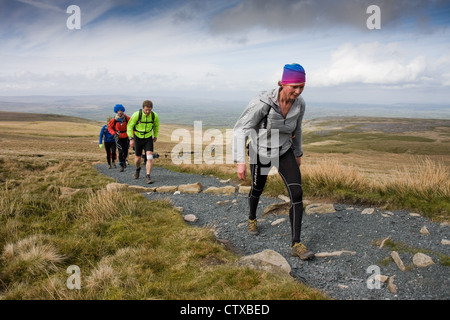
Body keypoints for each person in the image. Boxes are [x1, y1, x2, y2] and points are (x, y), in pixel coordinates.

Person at [232, 63, 314, 260]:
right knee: (258, 188)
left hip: (284, 149)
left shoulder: (300, 104)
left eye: (301, 86)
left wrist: (298, 153)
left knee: (297, 192)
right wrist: (240, 161)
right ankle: (252, 218)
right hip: (260, 150)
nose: (298, 91)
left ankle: (296, 243)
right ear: (283, 83)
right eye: (294, 86)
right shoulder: (263, 103)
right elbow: (241, 129)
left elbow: (298, 129)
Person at [127, 100, 160, 184]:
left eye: (149, 110)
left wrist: (155, 135)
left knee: (149, 157)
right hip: (138, 138)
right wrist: (131, 138)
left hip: (148, 138)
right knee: (138, 158)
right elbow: (130, 126)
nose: (148, 112)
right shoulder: (137, 115)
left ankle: (148, 176)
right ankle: (138, 170)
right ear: (143, 108)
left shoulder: (154, 115)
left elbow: (156, 126)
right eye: (146, 110)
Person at [108, 104, 130, 172]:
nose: (120, 112)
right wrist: (113, 133)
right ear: (116, 112)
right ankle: (121, 165)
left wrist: (132, 134)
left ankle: (124, 161)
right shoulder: (113, 120)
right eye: (118, 111)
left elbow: (132, 126)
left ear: (123, 111)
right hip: (117, 136)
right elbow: (110, 128)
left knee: (126, 151)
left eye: (121, 110)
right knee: (120, 151)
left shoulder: (127, 118)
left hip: (126, 136)